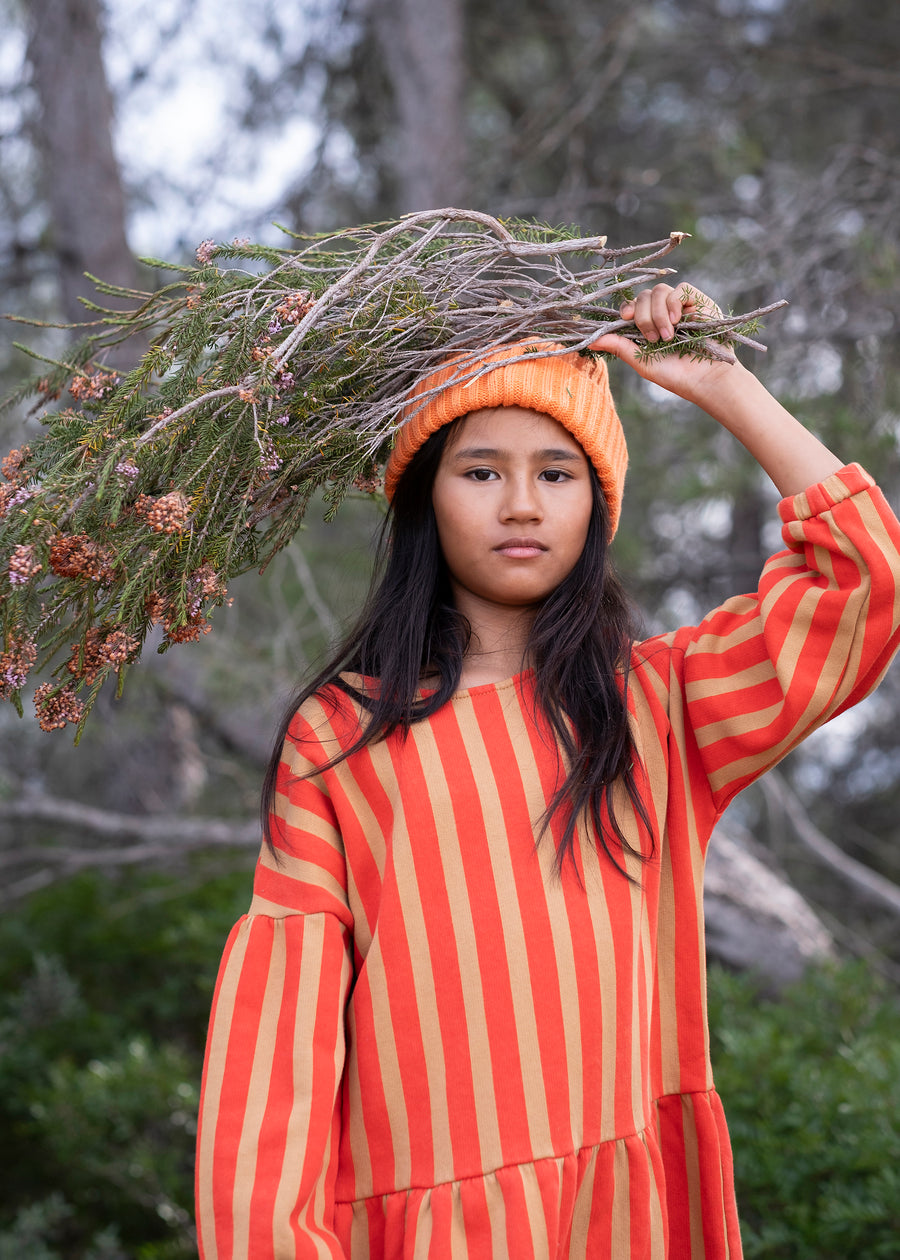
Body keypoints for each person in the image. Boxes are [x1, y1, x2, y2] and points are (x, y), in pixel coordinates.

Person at [194, 283, 900, 1259]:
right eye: (481, 471)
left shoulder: (657, 707)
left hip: (625, 1220)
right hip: (424, 1231)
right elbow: (282, 1038)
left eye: (558, 473)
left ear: (598, 504)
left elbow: (861, 580)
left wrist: (727, 390)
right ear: (424, 495)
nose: (521, 504)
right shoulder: (343, 737)